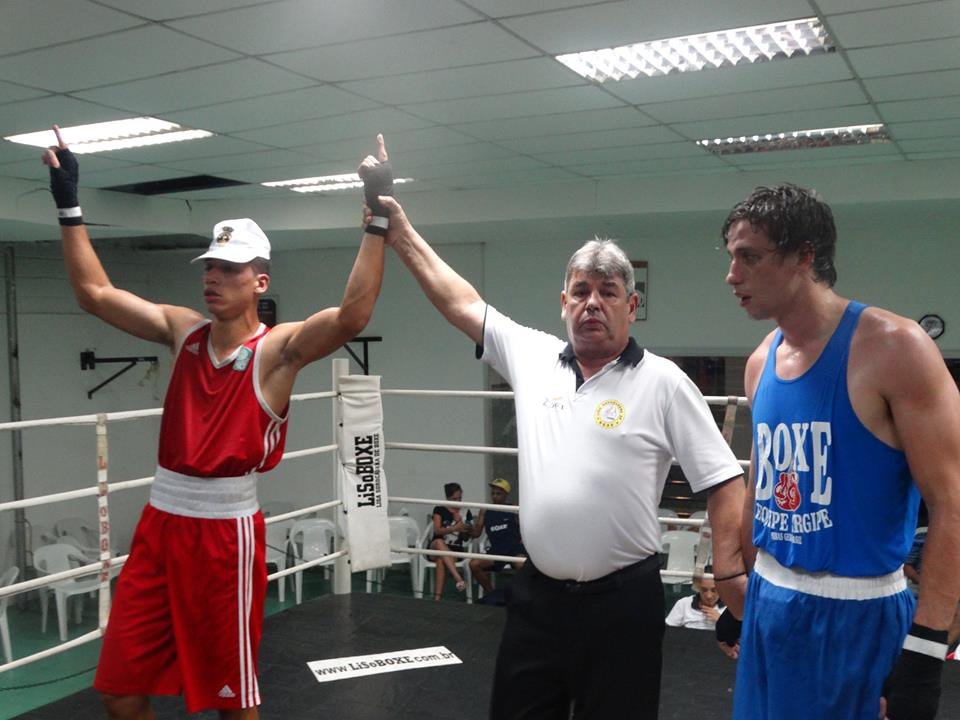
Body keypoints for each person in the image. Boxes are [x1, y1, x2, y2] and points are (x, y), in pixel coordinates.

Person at [362, 139, 747, 719]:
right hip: (538, 600)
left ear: (631, 305)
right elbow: (460, 300)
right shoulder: (533, 355)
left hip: (625, 604)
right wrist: (397, 224)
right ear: (563, 301)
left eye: (607, 292)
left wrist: (731, 573)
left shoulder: (664, 382)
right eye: (581, 292)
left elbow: (723, 480)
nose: (592, 303)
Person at [43, 126, 387, 720]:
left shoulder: (279, 350)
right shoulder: (182, 331)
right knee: (120, 692)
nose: (212, 278)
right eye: (209, 266)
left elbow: (352, 315)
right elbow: (95, 293)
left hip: (226, 534)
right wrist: (70, 206)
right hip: (160, 525)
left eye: (229, 269)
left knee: (232, 703)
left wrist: (377, 218)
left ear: (260, 281)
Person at [722, 183, 960, 720]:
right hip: (769, 608)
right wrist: (745, 593)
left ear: (804, 255)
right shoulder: (761, 361)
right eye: (732, 257)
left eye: (750, 258)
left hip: (859, 618)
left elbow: (952, 505)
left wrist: (924, 652)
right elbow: (763, 487)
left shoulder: (895, 348)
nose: (732, 276)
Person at [469, 478, 526, 595]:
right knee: (474, 564)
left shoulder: (514, 509)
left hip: (514, 548)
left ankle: (521, 596)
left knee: (523, 566)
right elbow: (476, 534)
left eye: (498, 493)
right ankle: (491, 594)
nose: (495, 496)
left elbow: (526, 529)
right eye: (493, 493)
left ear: (506, 494)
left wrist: (524, 540)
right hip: (496, 550)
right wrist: (466, 529)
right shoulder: (485, 510)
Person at [429, 482, 473, 599]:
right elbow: (437, 531)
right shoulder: (439, 509)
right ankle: (458, 578)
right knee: (439, 542)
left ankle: (436, 599)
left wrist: (464, 527)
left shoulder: (465, 512)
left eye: (460, 499)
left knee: (441, 560)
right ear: (447, 498)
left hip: (455, 549)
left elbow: (466, 538)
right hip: (436, 546)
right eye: (454, 499)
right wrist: (454, 528)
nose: (457, 502)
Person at [665, 565, 724, 631]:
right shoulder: (684, 604)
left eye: (714, 590)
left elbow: (736, 636)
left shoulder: (731, 607)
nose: (709, 596)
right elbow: (667, 632)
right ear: (697, 587)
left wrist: (723, 621)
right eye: (704, 590)